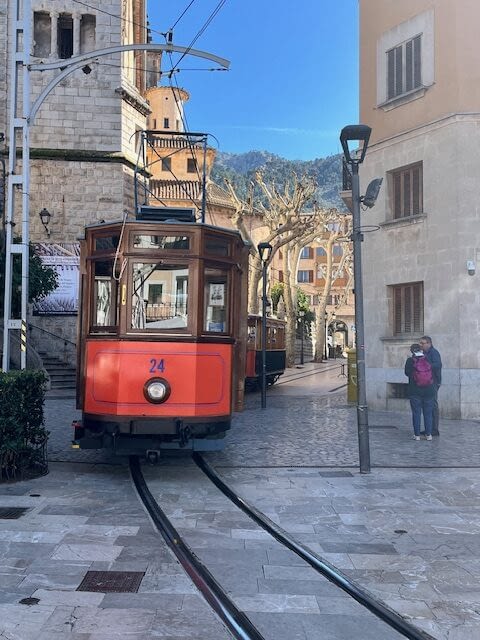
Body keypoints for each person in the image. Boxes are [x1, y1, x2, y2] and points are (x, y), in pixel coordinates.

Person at [404, 343, 436, 441]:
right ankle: (429, 435)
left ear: (412, 351)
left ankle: (417, 435)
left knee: (416, 413)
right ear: (421, 350)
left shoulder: (410, 360)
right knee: (428, 413)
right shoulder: (428, 359)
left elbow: (407, 373)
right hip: (429, 390)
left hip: (415, 391)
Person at [419, 336, 442, 436]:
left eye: (423, 343)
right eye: (420, 343)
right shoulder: (423, 353)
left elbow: (438, 365)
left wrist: (426, 365)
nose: (421, 345)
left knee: (433, 405)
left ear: (429, 343)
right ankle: (428, 427)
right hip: (425, 382)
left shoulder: (434, 353)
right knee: (426, 405)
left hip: (433, 382)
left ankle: (434, 429)